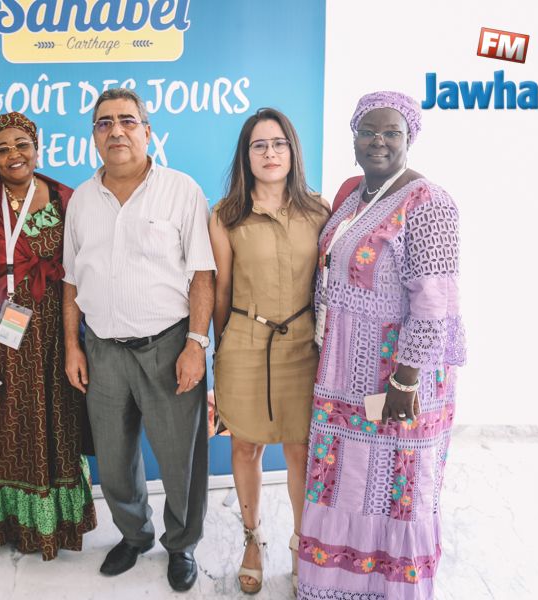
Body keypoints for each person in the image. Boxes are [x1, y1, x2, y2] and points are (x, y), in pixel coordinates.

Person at [299, 91, 466, 599]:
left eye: (391, 132)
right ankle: (336, 585)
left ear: (409, 138)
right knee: (345, 482)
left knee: (395, 488)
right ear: (353, 139)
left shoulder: (428, 202)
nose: (378, 141)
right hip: (343, 375)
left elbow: (434, 302)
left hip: (398, 380)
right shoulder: (355, 198)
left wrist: (405, 380)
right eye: (368, 131)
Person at [62, 88, 216, 592]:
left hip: (168, 346)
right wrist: (73, 346)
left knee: (179, 461)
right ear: (94, 136)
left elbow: (202, 274)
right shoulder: (82, 199)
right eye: (104, 123)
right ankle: (134, 535)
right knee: (113, 460)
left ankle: (182, 543)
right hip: (102, 350)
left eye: (127, 121)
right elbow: (71, 281)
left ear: (147, 132)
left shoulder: (181, 190)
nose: (116, 131)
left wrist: (196, 344)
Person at [0, 112, 96, 561]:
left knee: (58, 426)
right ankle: (5, 523)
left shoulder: (67, 199)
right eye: (2, 149)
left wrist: (78, 341)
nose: (14, 155)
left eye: (22, 144)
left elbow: (85, 270)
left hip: (56, 339)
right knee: (4, 433)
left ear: (37, 147)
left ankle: (56, 523)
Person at [209, 108, 330, 594]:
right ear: (246, 155)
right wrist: (220, 353)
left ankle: (303, 543)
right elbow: (221, 291)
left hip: (303, 346)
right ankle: (252, 539)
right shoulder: (225, 215)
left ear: (292, 151)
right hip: (244, 343)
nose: (270, 153)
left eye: (279, 143)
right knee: (245, 446)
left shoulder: (320, 210)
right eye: (259, 145)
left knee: (300, 449)